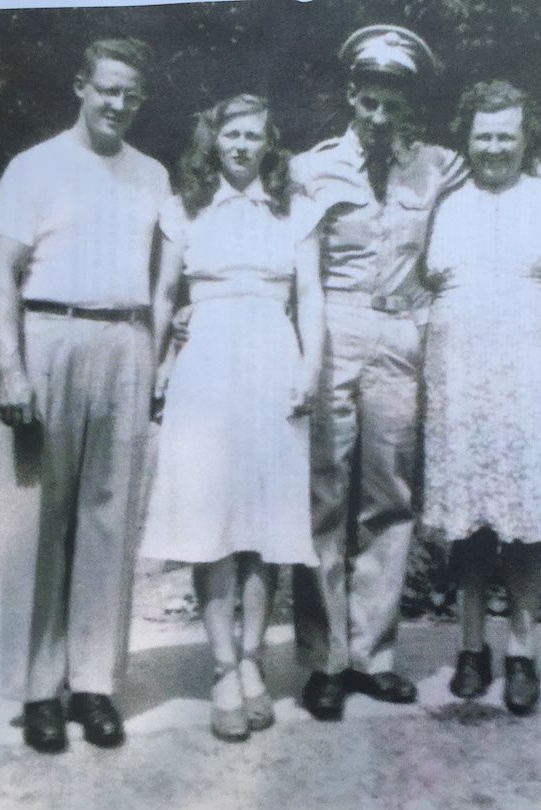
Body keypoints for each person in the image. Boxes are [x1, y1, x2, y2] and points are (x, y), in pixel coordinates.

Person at [289, 27, 541, 721]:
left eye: (392, 106)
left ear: (408, 109)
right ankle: (324, 661)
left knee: (389, 497)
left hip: (400, 335)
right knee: (322, 499)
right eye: (369, 102)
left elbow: (503, 167)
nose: (379, 117)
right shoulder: (310, 170)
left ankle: (372, 657)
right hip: (335, 329)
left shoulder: (433, 166)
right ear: (350, 95)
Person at [0, 39, 170, 753]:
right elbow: (2, 273)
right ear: (80, 86)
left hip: (125, 341)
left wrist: (159, 354)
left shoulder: (152, 175)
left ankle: (94, 684)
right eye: (107, 90)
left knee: (108, 516)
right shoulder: (32, 168)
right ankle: (38, 689)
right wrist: (11, 368)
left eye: (130, 95)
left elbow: (168, 276)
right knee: (39, 517)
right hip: (50, 335)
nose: (117, 104)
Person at [422, 79, 541, 715]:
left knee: (528, 527)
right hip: (464, 381)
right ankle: (472, 648)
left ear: (524, 140)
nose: (494, 147)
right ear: (466, 140)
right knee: (470, 526)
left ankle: (524, 652)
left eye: (507, 135)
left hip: (534, 379)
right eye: (484, 135)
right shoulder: (443, 199)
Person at [140, 95, 324, 743]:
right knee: (209, 520)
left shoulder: (294, 208)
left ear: (269, 145)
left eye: (254, 137)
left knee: (264, 522)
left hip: (275, 364)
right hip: (206, 367)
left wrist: (309, 370)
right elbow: (164, 295)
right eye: (232, 136)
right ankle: (221, 666)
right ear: (213, 141)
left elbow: (311, 299)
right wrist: (155, 365)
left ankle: (251, 661)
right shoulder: (184, 207)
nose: (242, 146)